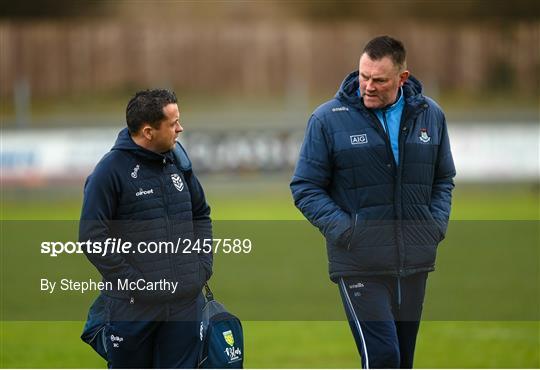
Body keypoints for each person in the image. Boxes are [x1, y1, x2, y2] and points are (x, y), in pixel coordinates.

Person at [290, 36, 455, 368]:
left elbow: (443, 178)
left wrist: (433, 226)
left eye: (378, 80)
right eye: (363, 76)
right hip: (358, 262)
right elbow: (305, 187)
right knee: (382, 357)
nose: (367, 86)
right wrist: (350, 232)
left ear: (402, 79)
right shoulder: (327, 120)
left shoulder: (430, 115)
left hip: (414, 259)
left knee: (403, 360)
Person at [79, 89, 213, 368]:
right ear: (149, 131)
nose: (180, 128)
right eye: (173, 123)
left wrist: (201, 266)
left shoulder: (179, 162)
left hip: (185, 304)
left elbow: (201, 213)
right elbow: (92, 237)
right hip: (133, 308)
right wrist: (134, 283)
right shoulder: (109, 172)